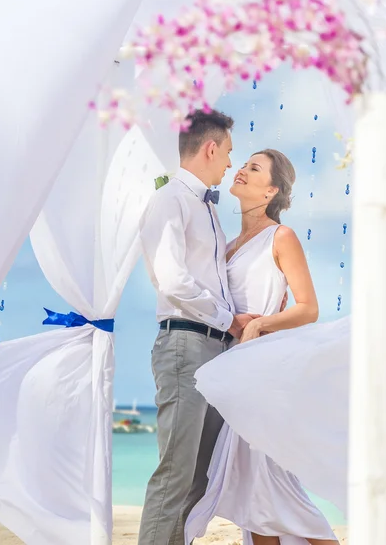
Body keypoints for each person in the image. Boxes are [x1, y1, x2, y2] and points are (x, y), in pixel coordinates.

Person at [185, 149, 348, 545]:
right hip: (236, 375)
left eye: (253, 168)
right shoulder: (225, 244)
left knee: (274, 489)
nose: (240, 169)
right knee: (252, 496)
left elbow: (308, 308)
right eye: (242, 164)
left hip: (263, 376)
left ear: (271, 190)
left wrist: (261, 322)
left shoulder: (281, 236)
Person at [138, 109, 259, 545]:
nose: (230, 163)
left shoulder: (206, 208)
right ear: (210, 148)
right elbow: (172, 281)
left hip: (213, 350)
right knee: (175, 476)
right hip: (184, 346)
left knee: (199, 479)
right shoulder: (169, 199)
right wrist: (231, 319)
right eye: (228, 152)